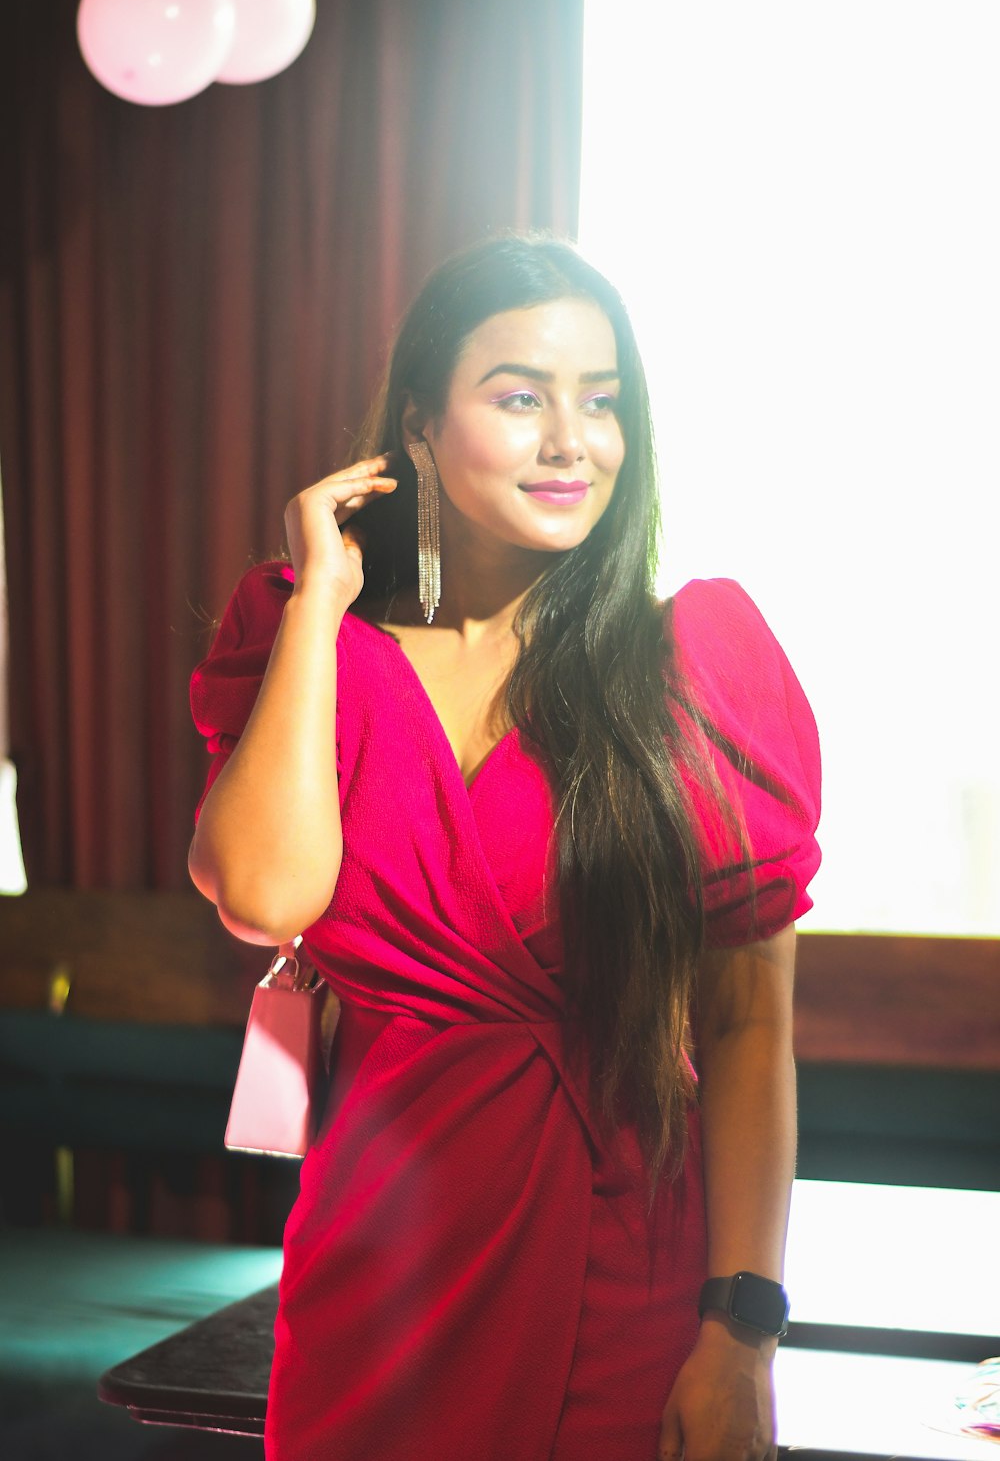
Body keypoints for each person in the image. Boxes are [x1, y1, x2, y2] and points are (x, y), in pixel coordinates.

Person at [188, 233, 821, 1461]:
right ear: (418, 426)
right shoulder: (316, 647)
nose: (569, 441)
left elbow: (749, 1026)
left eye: (602, 403)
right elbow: (266, 896)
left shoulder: (696, 670)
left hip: (623, 1261)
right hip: (381, 1266)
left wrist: (740, 1332)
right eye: (520, 397)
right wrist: (323, 595)